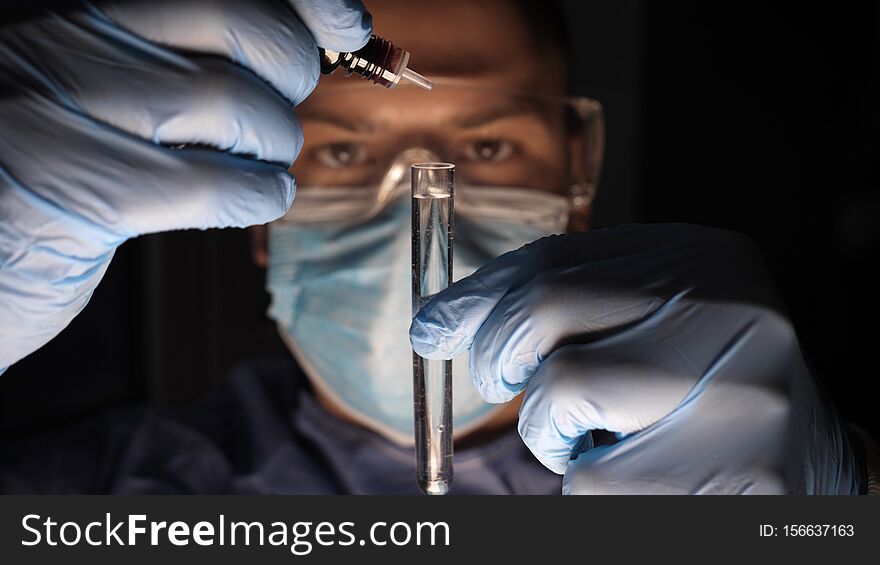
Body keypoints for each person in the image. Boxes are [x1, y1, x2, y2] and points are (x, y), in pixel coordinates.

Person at [0, 0, 876, 494]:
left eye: (487, 146)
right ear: (259, 212)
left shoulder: (752, 463)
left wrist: (847, 516)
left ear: (578, 179)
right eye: (343, 151)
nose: (422, 198)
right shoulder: (95, 491)